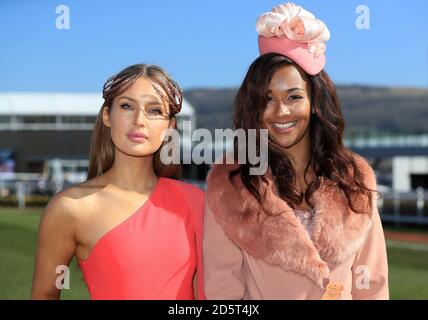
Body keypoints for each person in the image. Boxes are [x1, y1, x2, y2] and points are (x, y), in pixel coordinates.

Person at [203, 3, 389, 300]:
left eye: (293, 96)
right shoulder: (231, 185)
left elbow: (374, 288)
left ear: (315, 101)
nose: (281, 111)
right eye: (266, 99)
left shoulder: (354, 179)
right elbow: (223, 294)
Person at [31, 64, 205, 300]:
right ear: (107, 116)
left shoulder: (197, 202)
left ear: (170, 126)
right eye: (126, 106)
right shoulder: (70, 208)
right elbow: (45, 295)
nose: (139, 120)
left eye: (154, 110)